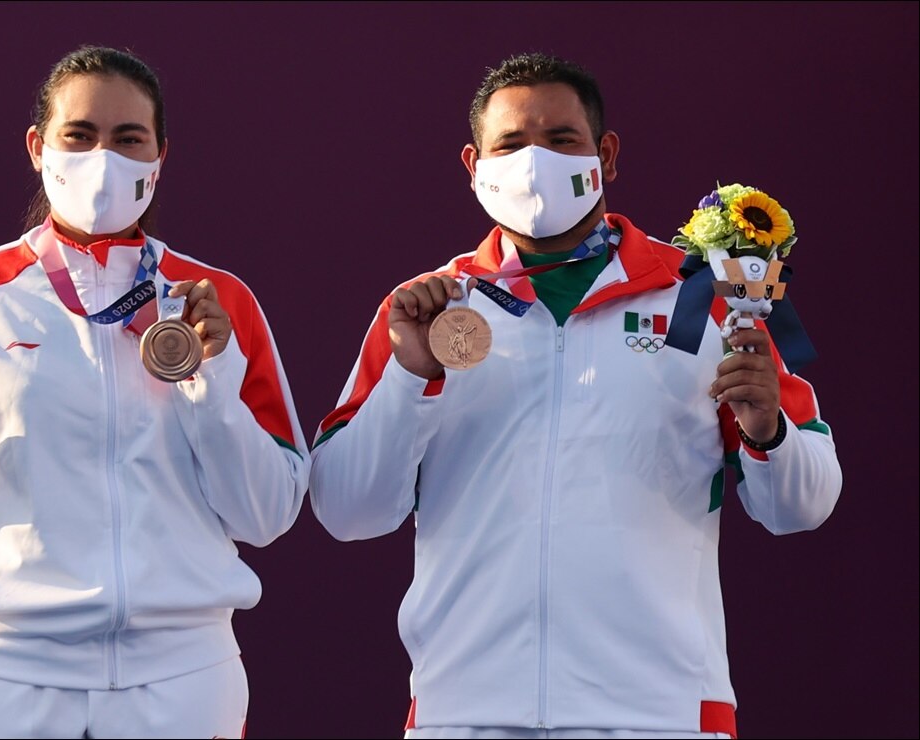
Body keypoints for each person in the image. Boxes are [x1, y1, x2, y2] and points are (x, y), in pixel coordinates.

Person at [308, 52, 841, 739]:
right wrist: (411, 375)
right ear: (473, 163)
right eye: (509, 144)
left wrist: (768, 429)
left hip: (661, 716)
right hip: (465, 712)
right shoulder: (425, 311)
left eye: (560, 140)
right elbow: (348, 510)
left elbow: (803, 505)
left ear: (606, 154)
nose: (533, 163)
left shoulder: (705, 299)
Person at [0, 44, 310, 739]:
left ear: (160, 156)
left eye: (129, 140)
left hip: (180, 675)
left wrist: (205, 381)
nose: (103, 159)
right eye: (80, 135)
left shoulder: (217, 303)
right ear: (38, 147)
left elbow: (267, 512)